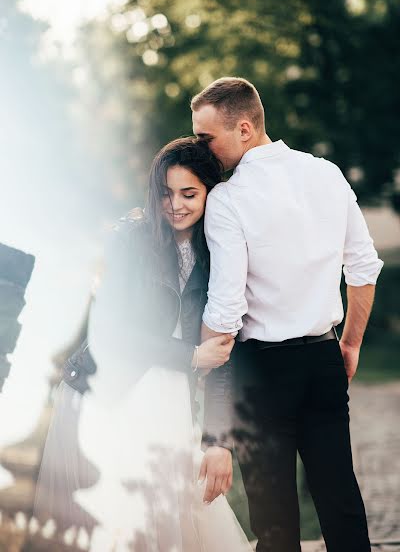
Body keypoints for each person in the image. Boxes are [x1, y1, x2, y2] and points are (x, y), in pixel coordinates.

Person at [191, 77, 384, 552]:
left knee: (274, 518)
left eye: (206, 138)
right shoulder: (327, 174)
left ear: (243, 129)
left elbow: (227, 306)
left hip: (260, 372)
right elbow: (362, 266)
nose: (202, 149)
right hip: (323, 360)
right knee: (340, 499)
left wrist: (199, 365)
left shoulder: (227, 201)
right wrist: (351, 343)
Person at [34, 137, 252, 551]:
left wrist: (218, 440)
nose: (176, 205)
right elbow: (112, 330)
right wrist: (190, 355)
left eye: (189, 194)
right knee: (118, 514)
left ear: (211, 191)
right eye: (165, 194)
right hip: (113, 391)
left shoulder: (219, 250)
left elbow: (223, 354)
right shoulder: (131, 238)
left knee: (175, 512)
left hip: (170, 398)